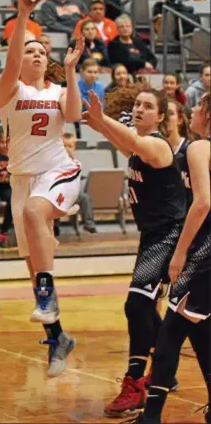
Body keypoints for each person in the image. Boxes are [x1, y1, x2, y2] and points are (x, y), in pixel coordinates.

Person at [0, 0, 84, 377]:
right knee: (35, 273)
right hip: (22, 180)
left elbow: (77, 115)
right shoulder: (9, 90)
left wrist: (69, 69)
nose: (34, 54)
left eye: (40, 51)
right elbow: (13, 57)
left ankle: (56, 215)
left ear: (47, 61)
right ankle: (58, 339)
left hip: (58, 169)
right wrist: (23, 15)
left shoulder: (60, 89)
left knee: (36, 210)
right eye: (29, 50)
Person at [82, 88, 186, 417]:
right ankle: (157, 371)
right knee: (140, 307)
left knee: (136, 303)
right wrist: (98, 121)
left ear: (159, 116)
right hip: (151, 237)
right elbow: (119, 138)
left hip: (169, 235)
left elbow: (133, 141)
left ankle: (140, 378)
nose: (140, 109)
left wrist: (103, 120)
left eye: (148, 106)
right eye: (137, 105)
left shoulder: (156, 145)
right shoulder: (134, 146)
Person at [127, 93, 210, 424]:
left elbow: (202, 203)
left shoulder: (198, 147)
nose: (193, 112)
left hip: (203, 254)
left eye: (199, 107)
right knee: (200, 330)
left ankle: (152, 415)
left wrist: (179, 252)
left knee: (171, 331)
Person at [62, 132, 97, 233]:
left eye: (70, 146)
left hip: (72, 194)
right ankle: (55, 227)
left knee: (85, 198)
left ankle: (89, 225)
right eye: (64, 146)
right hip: (57, 193)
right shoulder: (55, 161)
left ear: (74, 148)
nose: (67, 149)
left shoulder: (75, 163)